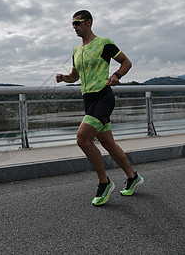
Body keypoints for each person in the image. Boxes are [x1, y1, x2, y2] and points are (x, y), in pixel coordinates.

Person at [56, 10, 143, 206]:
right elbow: (75, 76)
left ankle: (104, 182)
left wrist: (117, 75)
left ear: (88, 22)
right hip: (88, 100)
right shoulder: (76, 51)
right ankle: (132, 176)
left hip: (104, 97)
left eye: (77, 23)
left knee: (82, 138)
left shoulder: (104, 43)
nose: (74, 27)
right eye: (72, 24)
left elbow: (126, 62)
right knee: (108, 143)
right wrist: (64, 78)